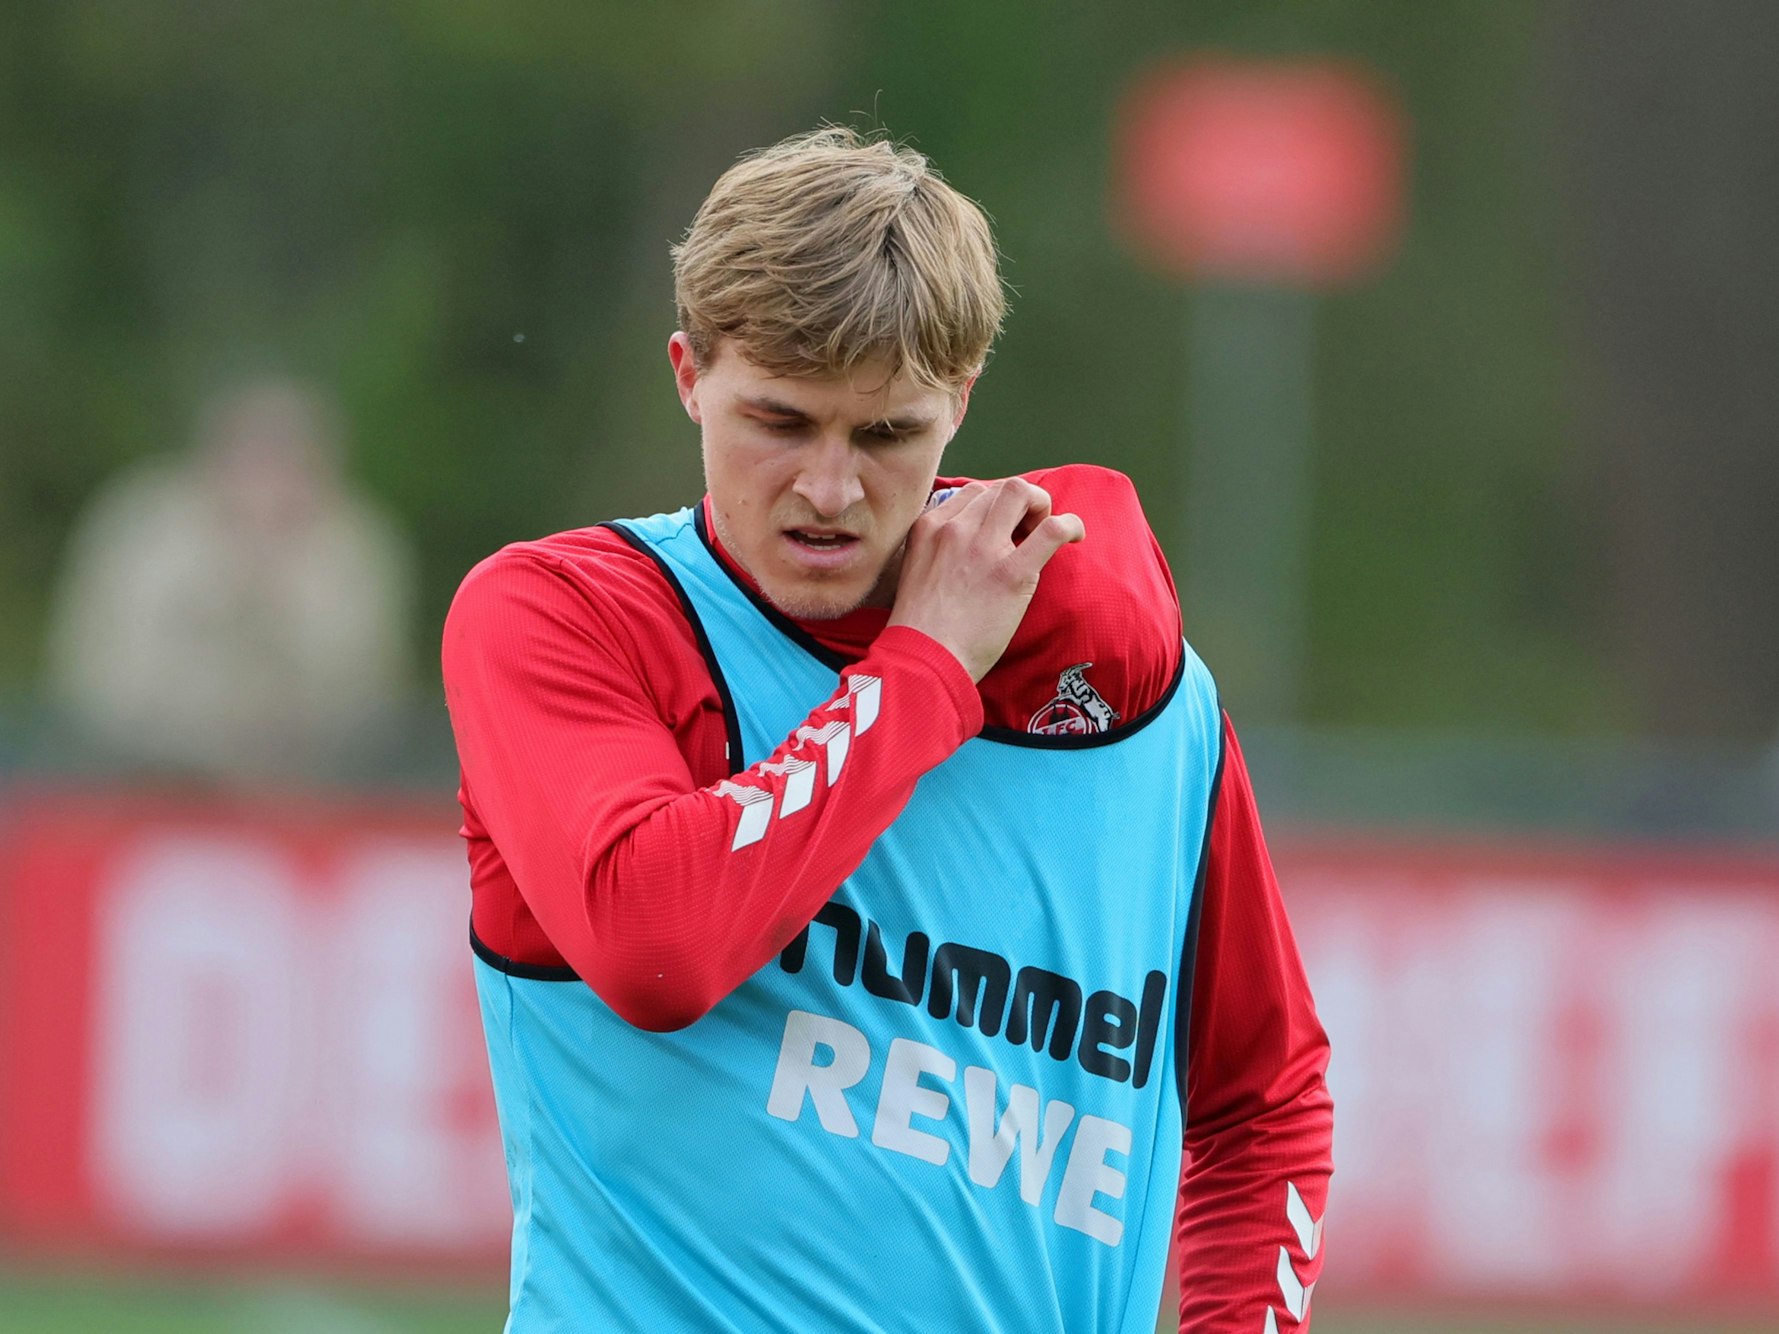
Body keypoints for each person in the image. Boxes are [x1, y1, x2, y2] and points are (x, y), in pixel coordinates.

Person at [443, 128, 1332, 1333]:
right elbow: (658, 948)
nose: (828, 489)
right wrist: (922, 668)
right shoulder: (571, 619)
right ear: (686, 375)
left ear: (960, 405)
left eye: (885, 435)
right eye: (780, 420)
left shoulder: (1126, 686)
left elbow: (1258, 1093)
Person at [45, 378, 414, 788]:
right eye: (254, 455)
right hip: (143, 780)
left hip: (311, 790)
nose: (269, 480)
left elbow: (366, 697)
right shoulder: (143, 529)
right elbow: (102, 679)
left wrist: (273, 591)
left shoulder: (357, 545)